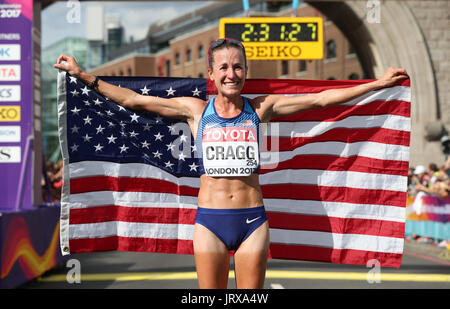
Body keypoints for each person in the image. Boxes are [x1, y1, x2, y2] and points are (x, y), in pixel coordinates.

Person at [54, 38, 408, 289]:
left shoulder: (261, 108)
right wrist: (84, 76)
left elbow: (319, 100)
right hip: (209, 221)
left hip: (253, 220)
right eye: (223, 67)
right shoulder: (195, 111)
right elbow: (134, 100)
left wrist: (377, 84)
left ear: (245, 71)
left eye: (237, 66)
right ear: (211, 74)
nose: (231, 73)